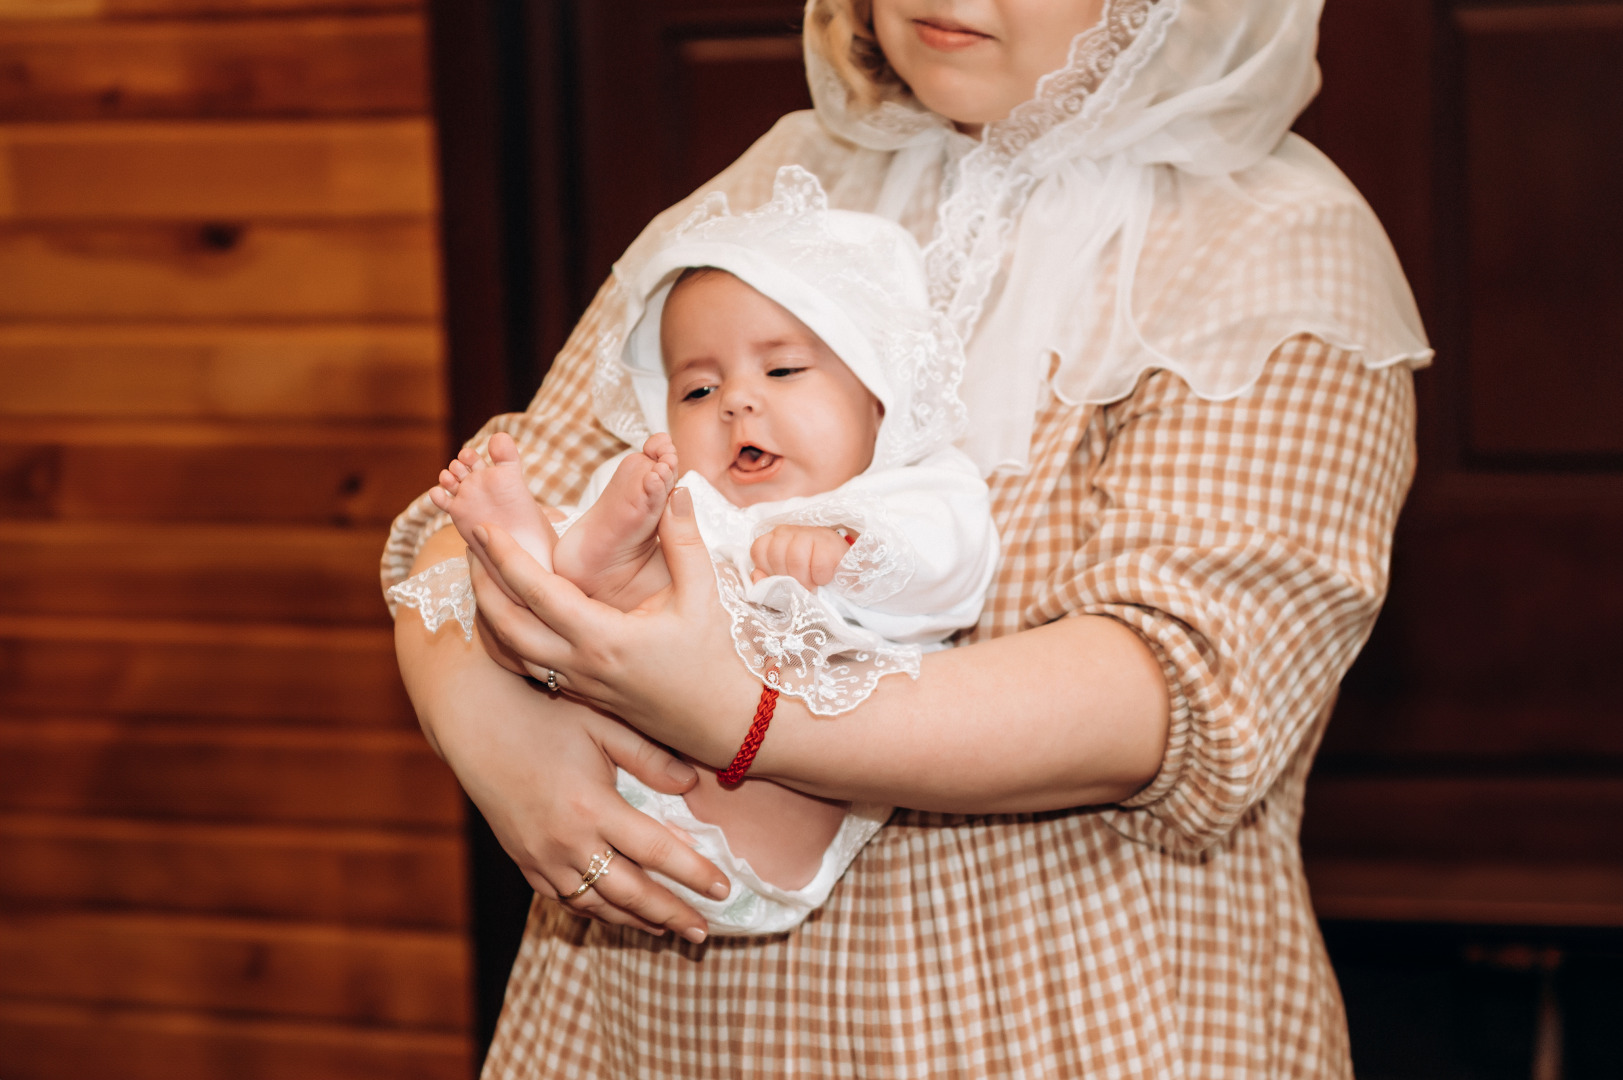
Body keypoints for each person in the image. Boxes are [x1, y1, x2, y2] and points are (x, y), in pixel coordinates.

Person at [384, 0, 1433, 1074]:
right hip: (661, 1026)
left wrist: (744, 712)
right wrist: (483, 722)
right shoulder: (781, 189)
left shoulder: (1270, 241)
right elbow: (481, 519)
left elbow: (1175, 690)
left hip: (1043, 1021)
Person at [388, 171, 998, 935]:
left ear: (878, 396)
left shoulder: (905, 489)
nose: (738, 400)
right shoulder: (681, 492)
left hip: (755, 822)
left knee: (761, 715)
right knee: (589, 552)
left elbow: (951, 572)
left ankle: (590, 565)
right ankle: (532, 547)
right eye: (698, 390)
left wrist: (846, 553)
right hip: (604, 764)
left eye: (782, 370)